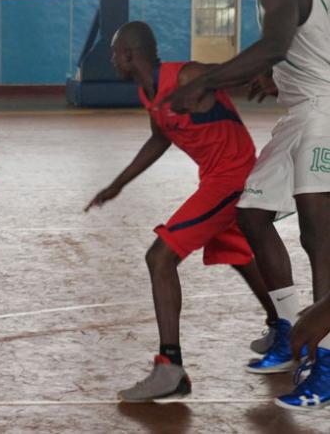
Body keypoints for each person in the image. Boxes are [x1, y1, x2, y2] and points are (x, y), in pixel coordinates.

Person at [166, 0, 330, 410]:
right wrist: (272, 77)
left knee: (318, 234)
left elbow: (277, 43)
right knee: (251, 214)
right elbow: (295, 47)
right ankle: (287, 329)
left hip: (323, 112)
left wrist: (208, 81)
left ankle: (324, 362)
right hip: (301, 110)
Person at [85, 21, 278, 402]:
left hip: (234, 177)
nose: (111, 61)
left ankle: (170, 368)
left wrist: (264, 74)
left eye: (113, 53)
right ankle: (281, 324)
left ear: (128, 54)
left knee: (160, 257)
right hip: (215, 179)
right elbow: (160, 138)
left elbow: (231, 72)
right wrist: (119, 184)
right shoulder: (149, 93)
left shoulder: (186, 75)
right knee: (240, 257)